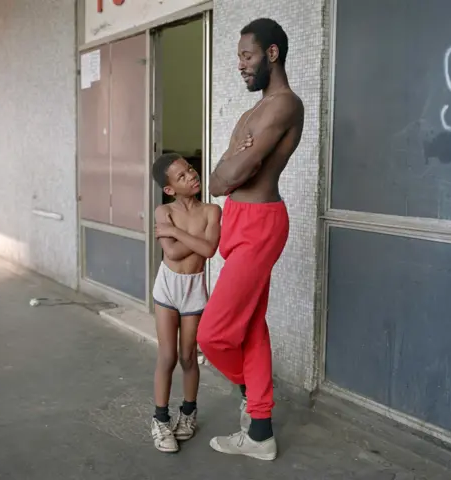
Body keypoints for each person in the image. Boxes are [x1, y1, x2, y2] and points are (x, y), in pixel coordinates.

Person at [197, 18, 304, 461]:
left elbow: (229, 176)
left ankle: (251, 393)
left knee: (213, 333)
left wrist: (230, 168)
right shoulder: (249, 113)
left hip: (260, 222)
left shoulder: (284, 106)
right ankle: (260, 431)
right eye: (238, 57)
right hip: (238, 221)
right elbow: (218, 170)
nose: (240, 65)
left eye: (247, 56)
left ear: (272, 54)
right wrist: (227, 169)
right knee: (252, 327)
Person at [151, 153, 221, 453]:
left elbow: (208, 250)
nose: (191, 176)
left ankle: (188, 413)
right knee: (167, 357)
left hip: (194, 289)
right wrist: (185, 240)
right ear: (170, 190)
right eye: (181, 177)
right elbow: (174, 255)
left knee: (188, 356)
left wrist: (177, 232)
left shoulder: (211, 210)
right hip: (168, 287)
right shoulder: (162, 211)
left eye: (190, 170)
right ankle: (160, 419)